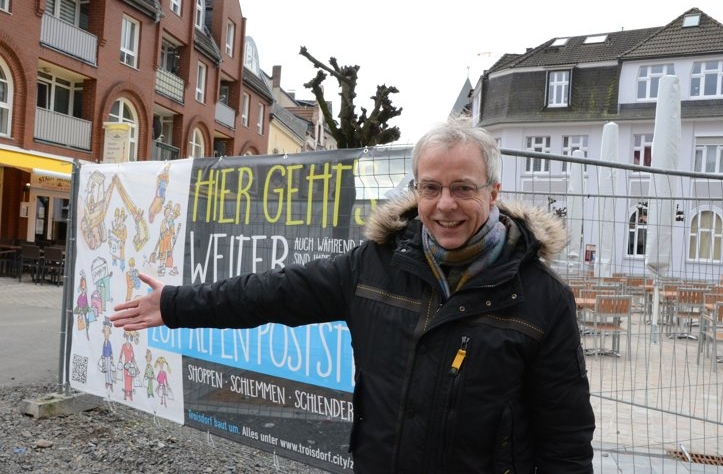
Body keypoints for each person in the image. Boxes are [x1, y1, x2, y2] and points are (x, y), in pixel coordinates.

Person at [111, 116, 595, 472]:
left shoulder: (541, 298)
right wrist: (174, 304)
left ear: (493, 192)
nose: (445, 205)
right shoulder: (373, 266)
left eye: (463, 189)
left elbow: (566, 438)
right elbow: (272, 293)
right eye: (431, 188)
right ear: (417, 190)